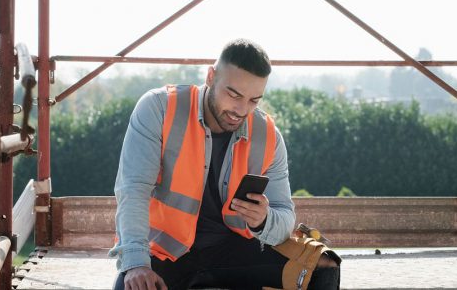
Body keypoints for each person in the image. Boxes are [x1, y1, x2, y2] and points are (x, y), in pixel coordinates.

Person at [109, 39, 340, 290]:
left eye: (254, 100)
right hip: (165, 252)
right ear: (211, 76)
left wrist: (263, 220)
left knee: (323, 266)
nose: (241, 110)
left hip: (233, 251)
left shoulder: (268, 137)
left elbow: (285, 216)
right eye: (234, 94)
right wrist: (136, 264)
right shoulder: (159, 108)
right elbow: (133, 190)